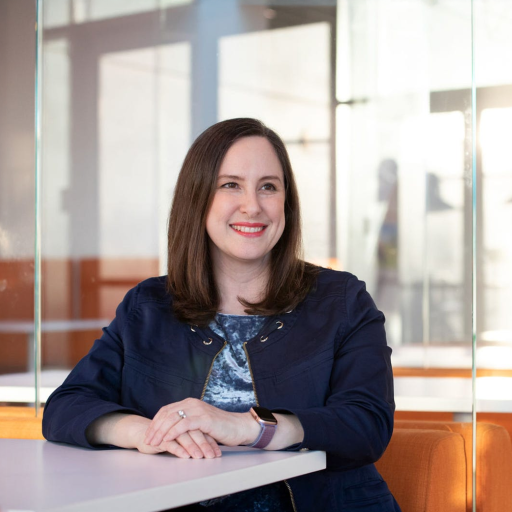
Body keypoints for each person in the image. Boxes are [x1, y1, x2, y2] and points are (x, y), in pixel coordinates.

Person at [42, 118, 401, 512]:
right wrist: (144, 432)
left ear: (286, 202)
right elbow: (66, 407)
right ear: (197, 198)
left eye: (269, 186)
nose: (253, 205)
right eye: (230, 184)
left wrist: (249, 427)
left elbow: (366, 425)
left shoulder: (341, 299)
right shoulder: (148, 306)